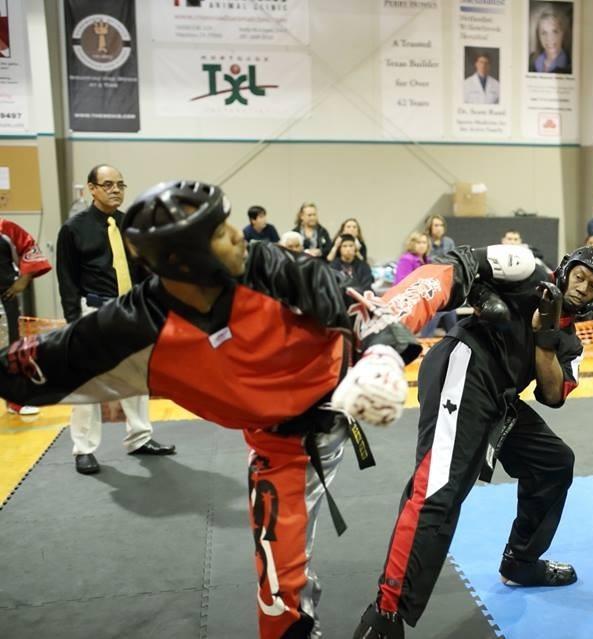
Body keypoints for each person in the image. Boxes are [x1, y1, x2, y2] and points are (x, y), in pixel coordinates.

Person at [0, 179, 479, 639]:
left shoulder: (268, 264)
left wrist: (383, 355)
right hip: (281, 445)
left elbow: (350, 305)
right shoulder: (133, 328)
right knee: (279, 598)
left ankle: (472, 264)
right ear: (184, 261)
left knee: (417, 294)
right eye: (218, 232)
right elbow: (33, 362)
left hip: (342, 376)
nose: (236, 235)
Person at [352, 244, 593, 639]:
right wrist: (476, 292)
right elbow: (459, 261)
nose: (582, 288)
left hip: (500, 398)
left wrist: (544, 337)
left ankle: (521, 562)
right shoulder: (528, 270)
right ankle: (384, 615)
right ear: (566, 270)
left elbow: (552, 394)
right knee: (440, 487)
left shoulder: (570, 343)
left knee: (553, 462)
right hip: (465, 366)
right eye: (580, 277)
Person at [56, 164, 175, 475]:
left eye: (120, 185)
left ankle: (140, 437)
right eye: (107, 184)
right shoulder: (73, 229)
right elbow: (67, 279)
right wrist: (72, 320)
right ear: (92, 188)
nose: (115, 190)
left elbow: (144, 272)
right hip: (94, 310)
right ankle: (84, 448)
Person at [0, 217, 52, 416]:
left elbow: (29, 248)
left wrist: (24, 279)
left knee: (10, 350)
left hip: (4, 299)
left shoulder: (5, 228)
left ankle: (15, 401)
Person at [529, 10, 571, 74]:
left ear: (562, 34)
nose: (549, 38)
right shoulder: (531, 61)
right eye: (544, 33)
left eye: (554, 32)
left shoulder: (570, 65)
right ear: (538, 36)